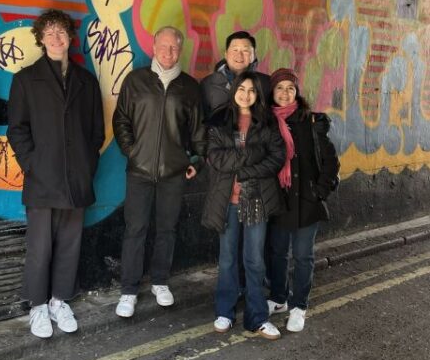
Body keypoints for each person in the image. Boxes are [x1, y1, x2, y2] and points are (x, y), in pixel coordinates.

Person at [7, 9, 104, 337]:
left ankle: (59, 301)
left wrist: (88, 165)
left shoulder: (86, 82)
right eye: (49, 33)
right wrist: (33, 164)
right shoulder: (25, 79)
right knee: (40, 247)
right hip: (42, 179)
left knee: (69, 244)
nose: (56, 38)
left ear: (70, 38)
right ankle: (37, 307)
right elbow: (17, 130)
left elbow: (96, 132)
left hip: (77, 179)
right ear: (41, 38)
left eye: (61, 32)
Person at [112, 26, 205, 318]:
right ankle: (129, 290)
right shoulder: (136, 81)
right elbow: (121, 120)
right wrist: (133, 151)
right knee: (135, 229)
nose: (169, 53)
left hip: (174, 173)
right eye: (164, 46)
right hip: (139, 171)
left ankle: (160, 281)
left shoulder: (190, 87)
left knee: (167, 229)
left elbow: (199, 130)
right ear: (153, 46)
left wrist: (197, 160)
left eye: (175, 48)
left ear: (181, 50)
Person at [201, 72, 285, 339]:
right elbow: (216, 158)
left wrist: (245, 170)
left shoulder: (266, 122)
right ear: (234, 90)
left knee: (254, 260)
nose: (246, 94)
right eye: (241, 88)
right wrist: (252, 153)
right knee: (227, 259)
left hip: (256, 199)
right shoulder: (220, 119)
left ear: (257, 94)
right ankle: (224, 311)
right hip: (228, 201)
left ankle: (257, 317)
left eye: (251, 90)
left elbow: (276, 158)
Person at [266, 68, 340, 332]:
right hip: (278, 201)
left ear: (297, 92)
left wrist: (320, 191)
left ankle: (299, 306)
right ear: (272, 93)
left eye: (290, 88)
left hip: (306, 201)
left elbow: (330, 160)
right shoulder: (267, 122)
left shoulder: (311, 122)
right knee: (276, 254)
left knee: (302, 256)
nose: (285, 93)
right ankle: (278, 298)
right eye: (279, 88)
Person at [200, 30, 271, 120]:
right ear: (226, 54)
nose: (239, 55)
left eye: (245, 50)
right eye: (235, 50)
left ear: (253, 56)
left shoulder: (266, 83)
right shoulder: (208, 84)